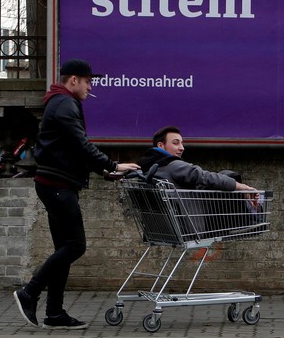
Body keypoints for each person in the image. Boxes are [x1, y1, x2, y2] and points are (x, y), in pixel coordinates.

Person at [13, 59, 140, 330]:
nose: (90, 87)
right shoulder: (65, 104)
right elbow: (81, 144)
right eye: (87, 81)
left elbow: (71, 148)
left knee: (65, 248)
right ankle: (29, 293)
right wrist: (112, 165)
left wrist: (103, 171)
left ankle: (55, 314)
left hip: (55, 183)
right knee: (75, 245)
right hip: (58, 186)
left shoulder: (60, 102)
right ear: (73, 80)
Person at [138, 126, 256, 192]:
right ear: (160, 146)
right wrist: (241, 187)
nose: (182, 148)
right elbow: (204, 177)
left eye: (182, 143)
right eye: (175, 143)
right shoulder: (172, 165)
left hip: (166, 224)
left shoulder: (148, 167)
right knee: (228, 178)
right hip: (188, 226)